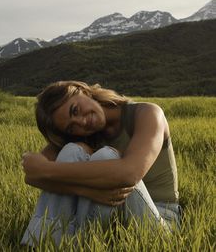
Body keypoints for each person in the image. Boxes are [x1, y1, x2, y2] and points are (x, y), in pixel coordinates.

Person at [21, 81, 181, 246]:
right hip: (114, 226)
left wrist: (47, 169)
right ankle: (40, 244)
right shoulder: (83, 136)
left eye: (75, 110)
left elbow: (129, 174)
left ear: (83, 91)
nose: (81, 122)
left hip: (160, 223)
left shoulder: (147, 113)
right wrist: (85, 190)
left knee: (107, 157)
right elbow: (33, 175)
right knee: (71, 151)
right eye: (71, 128)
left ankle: (71, 244)